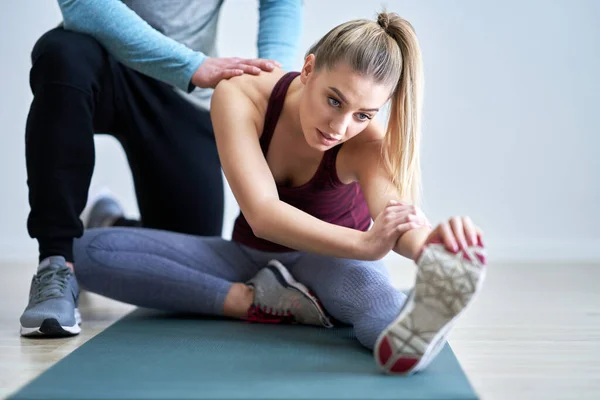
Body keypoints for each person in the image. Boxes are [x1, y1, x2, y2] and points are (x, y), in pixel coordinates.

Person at [71, 12, 488, 375]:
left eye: (362, 114)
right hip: (249, 257)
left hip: (333, 264)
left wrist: (430, 251)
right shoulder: (241, 94)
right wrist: (364, 243)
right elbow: (263, 214)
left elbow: (393, 216)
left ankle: (311, 303)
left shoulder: (367, 142)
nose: (340, 127)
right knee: (84, 253)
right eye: (333, 100)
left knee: (386, 323)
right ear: (308, 69)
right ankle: (255, 300)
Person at [19, 0, 304, 337]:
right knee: (60, 55)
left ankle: (110, 226)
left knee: (189, 264)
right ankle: (56, 260)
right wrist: (191, 65)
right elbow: (82, 3)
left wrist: (275, 78)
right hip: (100, 54)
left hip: (181, 90)